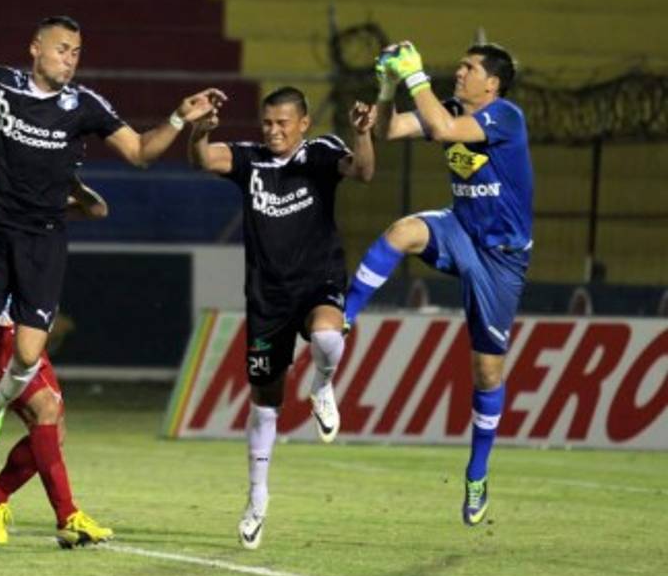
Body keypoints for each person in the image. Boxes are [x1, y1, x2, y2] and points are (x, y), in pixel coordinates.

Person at [0, 0, 225, 506]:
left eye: (77, 52)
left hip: (44, 244)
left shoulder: (86, 106)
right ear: (36, 49)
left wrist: (180, 117)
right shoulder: (4, 84)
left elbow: (139, 152)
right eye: (62, 49)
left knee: (28, 358)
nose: (70, 59)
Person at [342, 41, 531, 527]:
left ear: (492, 83)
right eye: (461, 65)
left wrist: (415, 73)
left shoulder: (505, 117)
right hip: (459, 227)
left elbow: (445, 129)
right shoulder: (447, 108)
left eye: (470, 68)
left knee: (487, 373)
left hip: (500, 259)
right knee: (402, 231)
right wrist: (386, 89)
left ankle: (477, 470)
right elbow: (391, 128)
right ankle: (340, 320)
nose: (461, 73)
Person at [189, 86, 376, 549]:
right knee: (265, 399)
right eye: (267, 122)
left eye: (283, 123)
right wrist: (200, 130)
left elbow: (364, 171)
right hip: (267, 298)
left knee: (328, 335)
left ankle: (322, 385)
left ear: (304, 123)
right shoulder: (249, 159)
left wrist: (364, 133)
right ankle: (257, 500)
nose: (273, 130)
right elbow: (202, 160)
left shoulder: (320, 153)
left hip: (318, 281)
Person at [0, 167, 113, 548]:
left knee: (54, 428)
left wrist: (70, 183)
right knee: (45, 410)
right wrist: (20, 165)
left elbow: (98, 210)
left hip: (20, 329)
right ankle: (67, 516)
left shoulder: (37, 203)